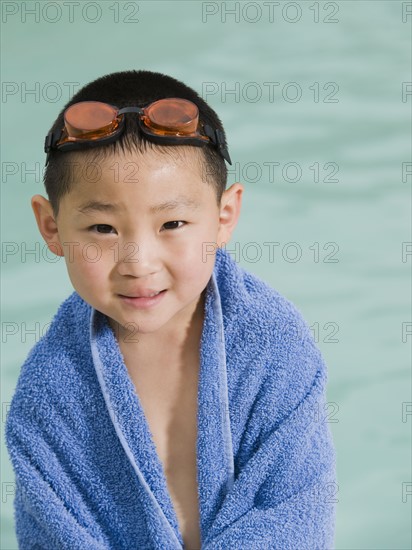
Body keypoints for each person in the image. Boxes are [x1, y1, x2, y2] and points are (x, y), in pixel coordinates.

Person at [6, 70, 337, 550]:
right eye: (102, 228)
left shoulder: (272, 343)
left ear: (224, 218)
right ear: (51, 227)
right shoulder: (49, 392)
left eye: (173, 223)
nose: (138, 263)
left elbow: (295, 512)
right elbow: (54, 537)